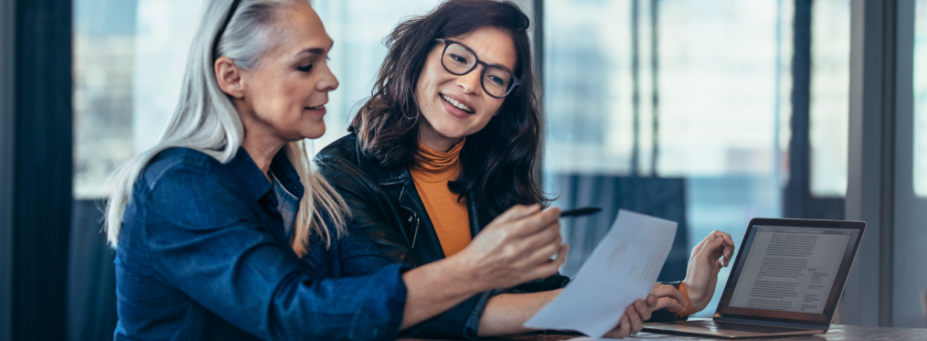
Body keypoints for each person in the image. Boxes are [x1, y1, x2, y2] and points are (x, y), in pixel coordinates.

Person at [104, 0, 585, 339]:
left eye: (327, 60)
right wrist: (476, 268)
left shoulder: (300, 190)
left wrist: (590, 307)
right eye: (305, 66)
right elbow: (293, 312)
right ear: (233, 77)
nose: (331, 80)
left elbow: (388, 298)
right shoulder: (181, 183)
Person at [314, 0, 736, 337]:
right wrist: (590, 308)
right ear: (420, 55)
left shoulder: (491, 175)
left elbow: (535, 294)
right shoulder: (339, 174)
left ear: (503, 104)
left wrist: (685, 295)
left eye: (495, 78)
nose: (470, 85)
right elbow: (409, 306)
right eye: (458, 57)